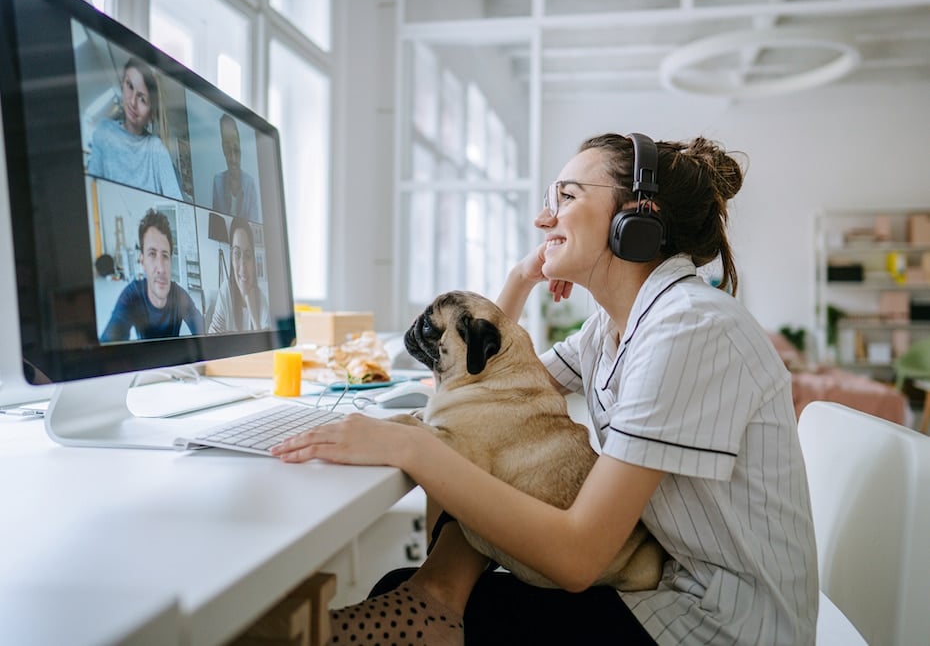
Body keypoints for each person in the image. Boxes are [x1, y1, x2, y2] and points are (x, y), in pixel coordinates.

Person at [270, 133, 819, 645]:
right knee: (421, 563)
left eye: (566, 196)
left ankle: (435, 600)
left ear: (634, 221)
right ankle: (434, 598)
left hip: (712, 623)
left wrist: (410, 445)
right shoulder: (613, 327)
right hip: (671, 584)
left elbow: (577, 558)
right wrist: (520, 278)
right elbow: (492, 391)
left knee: (419, 585)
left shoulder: (688, 329)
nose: (542, 217)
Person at [86, 56, 183, 200]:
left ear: (151, 115)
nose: (132, 102)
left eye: (142, 99)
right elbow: (92, 189)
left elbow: (176, 200)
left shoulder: (156, 148)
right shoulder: (104, 131)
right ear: (122, 84)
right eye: (130, 86)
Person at [101, 209, 204, 342]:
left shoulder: (179, 296)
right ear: (142, 261)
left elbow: (204, 332)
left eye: (165, 256)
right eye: (152, 254)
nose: (161, 268)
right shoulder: (132, 295)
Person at [209, 216, 269, 333]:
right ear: (231, 258)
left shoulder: (262, 299)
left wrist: (254, 316)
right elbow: (212, 335)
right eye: (237, 254)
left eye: (247, 255)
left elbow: (267, 346)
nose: (242, 265)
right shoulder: (226, 290)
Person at [212, 114, 261, 222]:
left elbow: (254, 228)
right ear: (223, 149)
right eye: (228, 150)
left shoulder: (250, 184)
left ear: (240, 147)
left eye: (236, 150)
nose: (233, 159)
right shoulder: (217, 182)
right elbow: (216, 226)